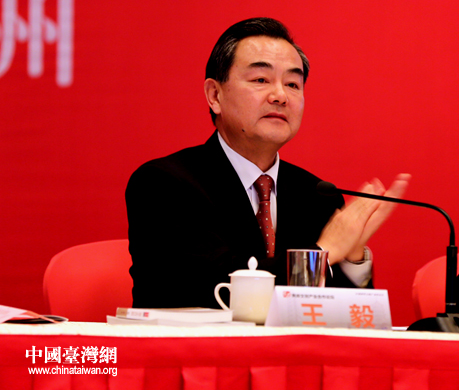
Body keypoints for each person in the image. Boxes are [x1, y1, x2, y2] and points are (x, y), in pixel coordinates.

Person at [125, 17, 410, 308]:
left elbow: (348, 318)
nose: (280, 96)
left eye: (292, 84)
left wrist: (352, 255)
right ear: (215, 95)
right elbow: (212, 288)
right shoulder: (163, 184)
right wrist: (322, 252)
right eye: (261, 80)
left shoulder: (318, 196)